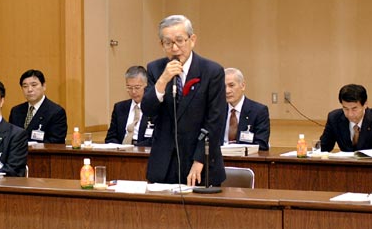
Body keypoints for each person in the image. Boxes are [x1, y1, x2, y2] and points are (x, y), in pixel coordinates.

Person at [141, 14, 226, 187]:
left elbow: (215, 121)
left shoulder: (212, 71)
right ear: (161, 44)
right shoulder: (155, 69)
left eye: (180, 40)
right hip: (164, 164)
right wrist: (162, 80)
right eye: (168, 43)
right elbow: (148, 109)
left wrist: (199, 160)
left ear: (192, 40)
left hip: (200, 162)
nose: (174, 47)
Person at [320, 84, 372, 154]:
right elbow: (323, 147)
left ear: (365, 104)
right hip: (345, 167)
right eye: (346, 109)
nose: (350, 114)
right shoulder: (334, 118)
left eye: (354, 109)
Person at [9, 69, 67, 144]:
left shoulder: (56, 112)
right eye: (25, 86)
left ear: (44, 86)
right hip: (17, 155)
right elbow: (11, 137)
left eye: (34, 85)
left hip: (43, 155)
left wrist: (31, 145)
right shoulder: (16, 111)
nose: (29, 89)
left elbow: (56, 141)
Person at [105, 65, 153, 146]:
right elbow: (110, 137)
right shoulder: (119, 108)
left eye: (137, 87)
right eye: (129, 87)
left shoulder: (154, 108)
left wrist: (133, 149)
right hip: (121, 152)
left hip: (143, 152)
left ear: (146, 85)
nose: (133, 92)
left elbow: (155, 140)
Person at [224, 67, 270, 151]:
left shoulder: (258, 111)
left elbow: (262, 144)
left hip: (246, 160)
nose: (227, 91)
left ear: (243, 86)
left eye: (231, 85)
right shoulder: (216, 110)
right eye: (223, 86)